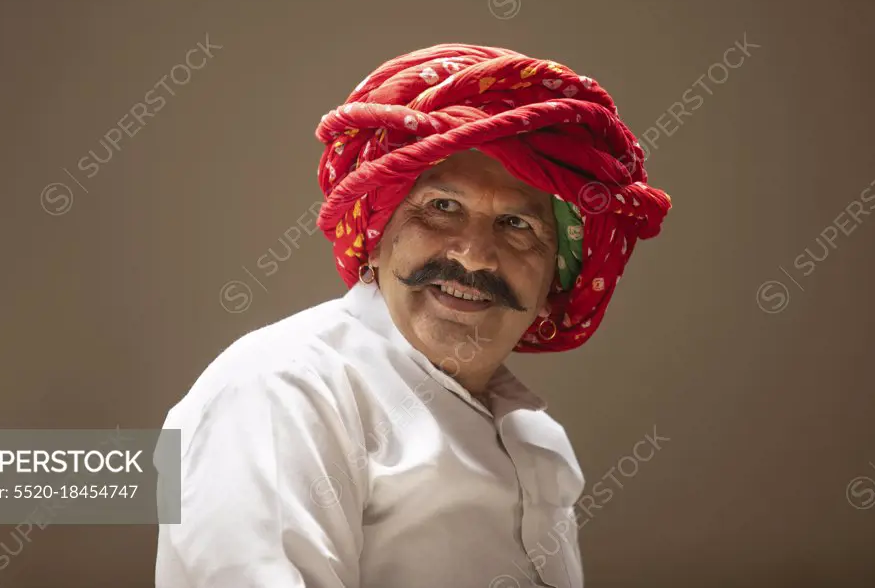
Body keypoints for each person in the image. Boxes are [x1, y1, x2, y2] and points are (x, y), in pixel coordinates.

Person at [154, 43, 671, 588]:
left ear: (552, 285)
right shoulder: (281, 387)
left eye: (518, 226)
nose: (474, 254)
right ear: (375, 240)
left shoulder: (535, 436)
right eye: (442, 208)